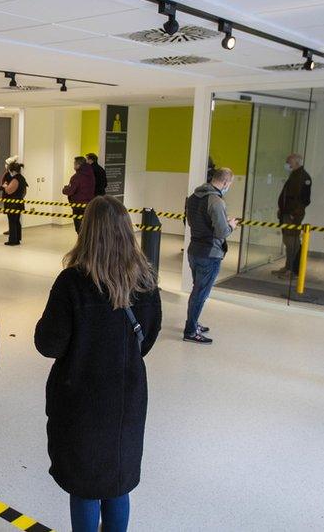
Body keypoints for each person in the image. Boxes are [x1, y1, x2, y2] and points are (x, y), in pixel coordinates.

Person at [35, 196, 161, 532]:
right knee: (117, 481)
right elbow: (146, 339)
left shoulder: (72, 283)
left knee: (85, 485)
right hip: (126, 396)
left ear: (86, 232)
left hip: (81, 399)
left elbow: (48, 344)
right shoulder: (146, 281)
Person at [183, 167, 239, 344]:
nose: (228, 187)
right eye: (229, 184)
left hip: (194, 250)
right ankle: (191, 331)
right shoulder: (216, 201)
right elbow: (221, 232)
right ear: (224, 182)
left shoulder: (193, 197)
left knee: (197, 290)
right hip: (210, 253)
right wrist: (231, 225)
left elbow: (188, 221)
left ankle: (193, 322)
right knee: (200, 293)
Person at [273, 154, 312, 279]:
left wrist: (293, 214)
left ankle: (293, 270)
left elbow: (304, 200)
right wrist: (282, 209)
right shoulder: (294, 175)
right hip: (286, 213)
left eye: (288, 161)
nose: (286, 164)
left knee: (292, 242)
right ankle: (288, 267)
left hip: (292, 215)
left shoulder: (302, 177)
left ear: (296, 162)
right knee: (287, 241)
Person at [62, 156, 96, 233]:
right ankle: (88, 244)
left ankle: (82, 244)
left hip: (78, 206)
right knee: (88, 228)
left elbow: (70, 191)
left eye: (74, 164)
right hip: (90, 204)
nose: (73, 166)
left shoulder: (76, 177)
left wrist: (64, 189)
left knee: (79, 228)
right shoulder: (91, 175)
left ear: (78, 165)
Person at [0, 161, 27, 246]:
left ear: (12, 171)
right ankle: (18, 238)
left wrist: (5, 187)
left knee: (12, 222)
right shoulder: (22, 178)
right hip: (19, 203)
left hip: (12, 204)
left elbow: (9, 191)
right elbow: (24, 192)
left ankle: (12, 240)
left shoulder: (15, 179)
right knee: (17, 221)